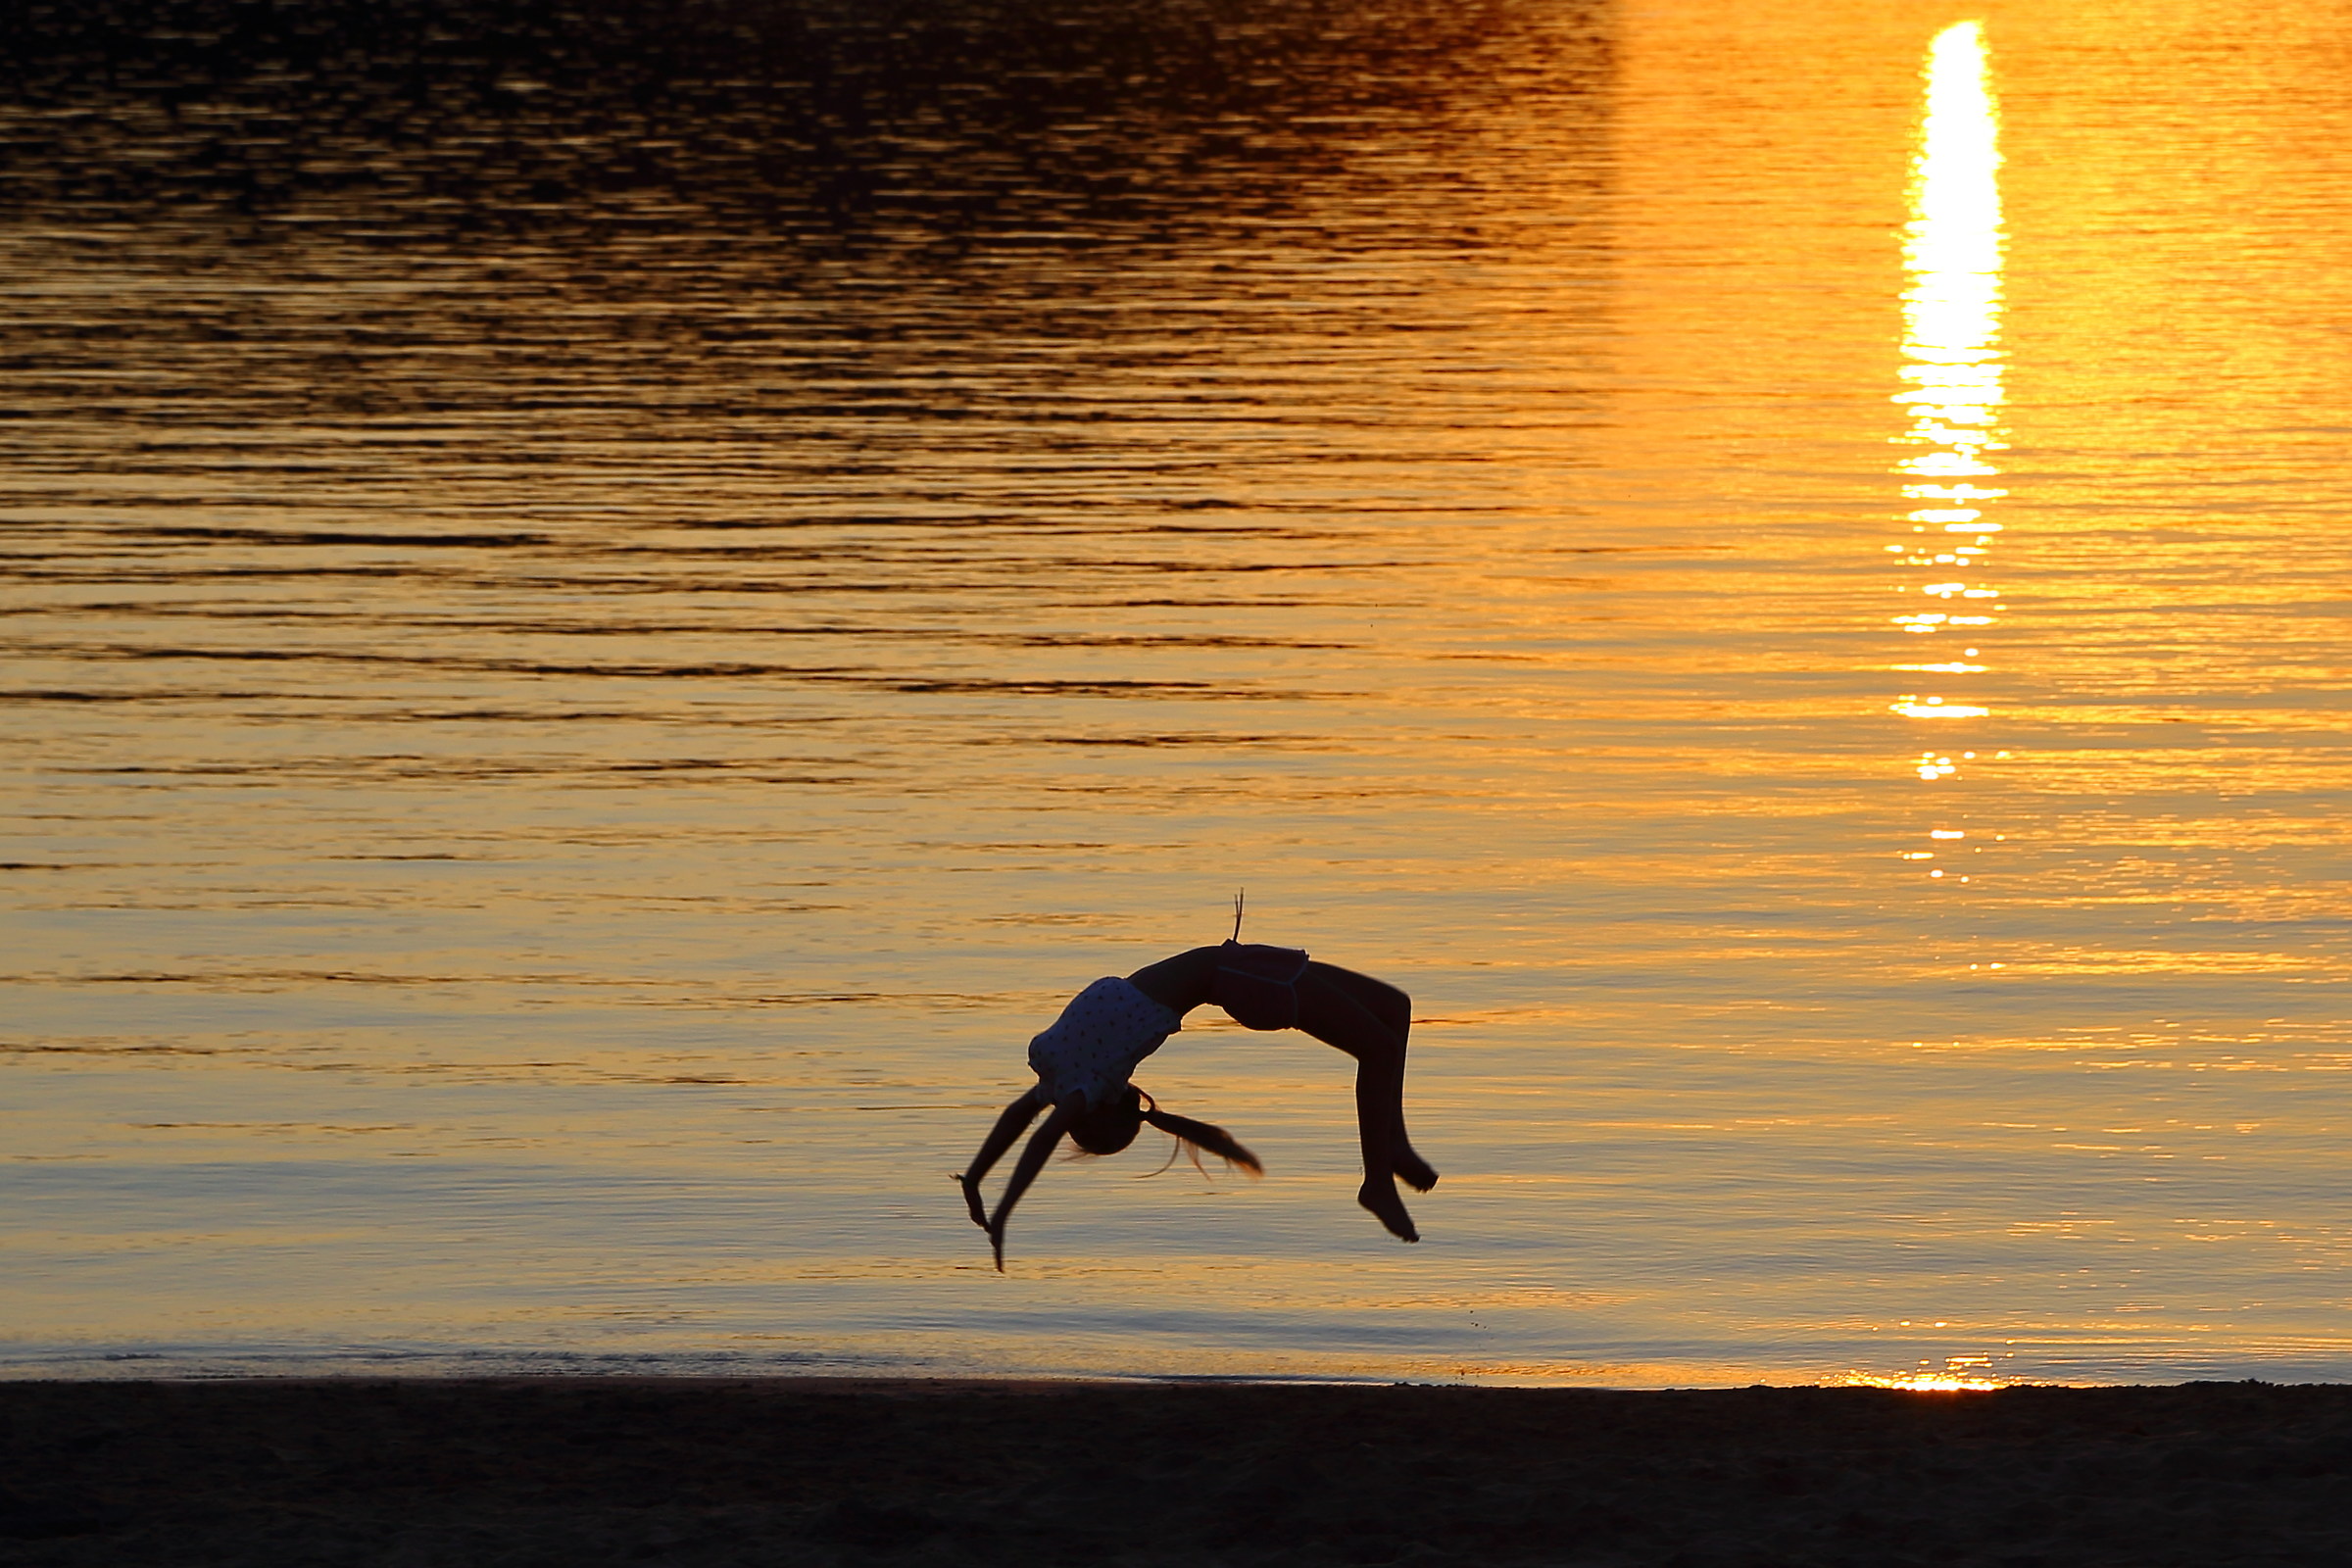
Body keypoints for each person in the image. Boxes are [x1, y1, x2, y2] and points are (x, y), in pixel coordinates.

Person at [958, 909, 1436, 1269]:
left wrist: (976, 1180)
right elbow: (1039, 1136)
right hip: (1241, 981)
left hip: (1241, 966)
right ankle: (1377, 1179)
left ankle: (1393, 1144)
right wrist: (1002, 1213)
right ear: (1099, 1112)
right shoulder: (1088, 1085)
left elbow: (1016, 1120)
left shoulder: (1056, 1074)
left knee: (1393, 1008)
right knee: (1377, 1049)